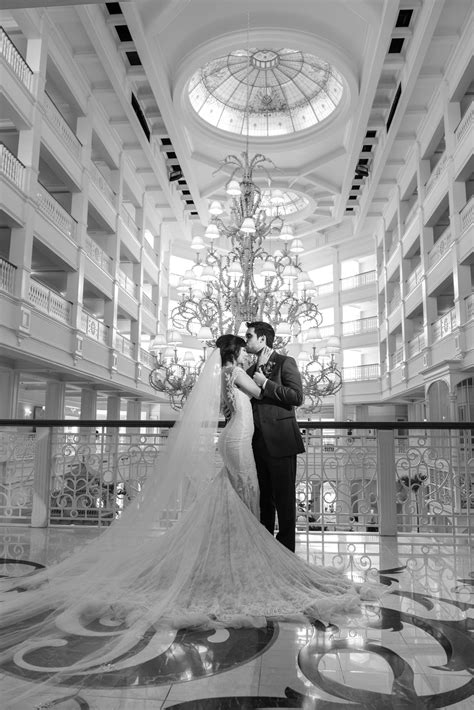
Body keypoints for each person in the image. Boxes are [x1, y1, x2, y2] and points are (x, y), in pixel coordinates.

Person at [0, 335, 381, 707]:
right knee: (247, 498)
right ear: (236, 352)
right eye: (244, 341)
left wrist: (261, 369)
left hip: (240, 438)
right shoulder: (237, 373)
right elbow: (264, 393)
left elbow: (268, 396)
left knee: (243, 499)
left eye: (253, 336)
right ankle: (245, 564)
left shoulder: (226, 372)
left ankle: (241, 558)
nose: (249, 343)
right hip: (238, 441)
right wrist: (261, 373)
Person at [245, 321, 304, 551]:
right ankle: (267, 550)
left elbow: (297, 396)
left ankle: (287, 553)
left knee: (285, 502)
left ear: (262, 339)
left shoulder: (284, 362)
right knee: (264, 501)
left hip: (281, 441)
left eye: (249, 336)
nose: (246, 340)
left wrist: (266, 383)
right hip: (257, 443)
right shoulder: (248, 371)